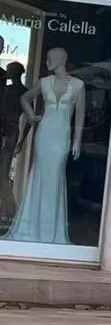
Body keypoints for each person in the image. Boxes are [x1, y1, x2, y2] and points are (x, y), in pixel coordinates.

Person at [6, 48, 84, 245]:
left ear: (60, 60)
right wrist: (32, 116)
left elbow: (80, 116)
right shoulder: (44, 82)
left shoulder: (78, 85)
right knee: (40, 176)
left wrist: (77, 141)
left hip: (62, 137)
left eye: (50, 58)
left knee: (56, 178)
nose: (46, 61)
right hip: (44, 135)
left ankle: (51, 231)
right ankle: (31, 227)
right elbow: (25, 99)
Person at [0, 60, 26, 220]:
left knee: (3, 172)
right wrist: (22, 139)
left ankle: (9, 208)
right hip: (14, 131)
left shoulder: (8, 91)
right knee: (4, 170)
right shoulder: (25, 91)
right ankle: (7, 208)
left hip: (6, 131)